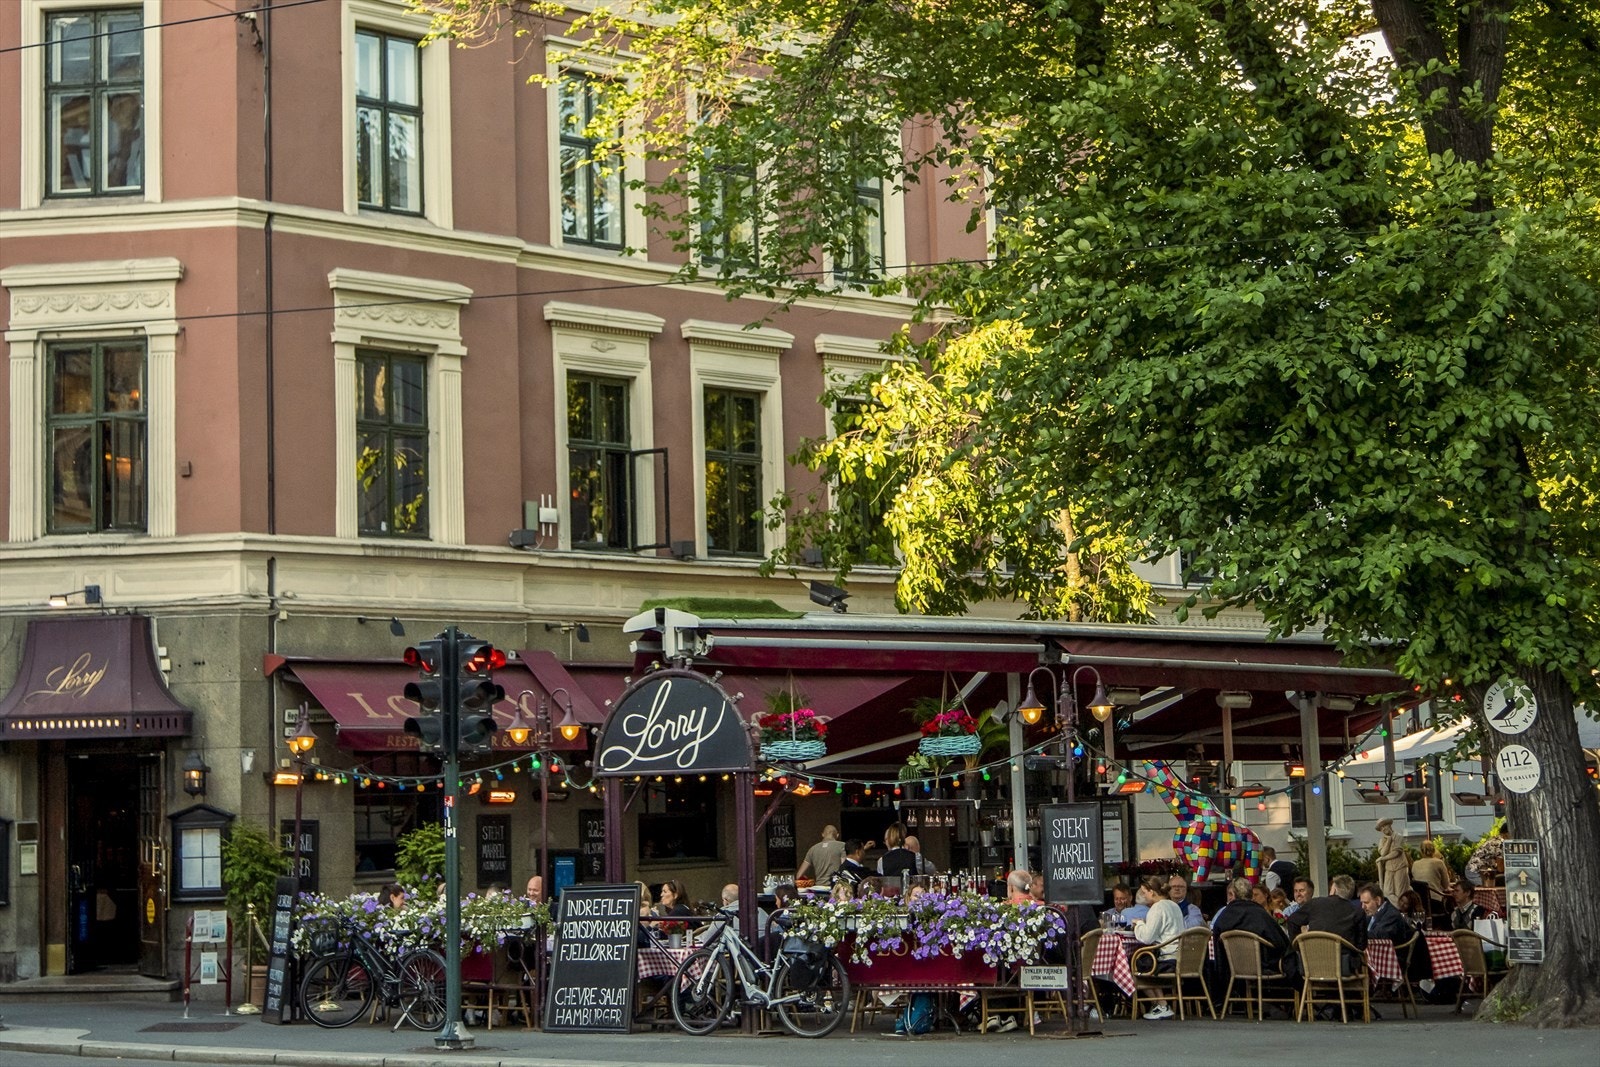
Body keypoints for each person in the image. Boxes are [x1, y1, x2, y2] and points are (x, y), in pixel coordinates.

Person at [1213, 875, 1292, 993]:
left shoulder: (1224, 916)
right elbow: (1280, 942)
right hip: (1262, 966)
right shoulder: (1260, 914)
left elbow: (1215, 941)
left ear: (1233, 895)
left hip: (1231, 968)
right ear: (1251, 895)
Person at [1286, 874, 1366, 975]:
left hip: (1311, 965)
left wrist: (1300, 947)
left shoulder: (1315, 904)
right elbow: (1361, 945)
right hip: (1342, 967)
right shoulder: (1358, 911)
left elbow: (1292, 921)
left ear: (1334, 890)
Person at [1132, 876, 1184, 1020]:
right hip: (1179, 956)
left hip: (1166, 958)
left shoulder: (1157, 908)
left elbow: (1147, 937)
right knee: (1143, 960)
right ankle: (1160, 1005)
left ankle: (1161, 1004)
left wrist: (1139, 924)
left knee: (1134, 963)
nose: (1143, 896)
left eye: (1145, 892)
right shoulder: (1174, 905)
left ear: (1152, 892)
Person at [1375, 819, 1411, 904]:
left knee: (1400, 892)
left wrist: (1382, 859)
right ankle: (1400, 906)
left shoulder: (1398, 837)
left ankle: (1402, 909)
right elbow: (1383, 853)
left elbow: (1396, 853)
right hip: (1389, 868)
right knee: (1387, 892)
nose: (1383, 829)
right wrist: (1388, 841)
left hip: (1400, 867)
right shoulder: (1382, 840)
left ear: (1389, 825)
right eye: (1381, 828)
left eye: (1384, 826)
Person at [1411, 839, 1453, 904]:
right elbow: (1446, 885)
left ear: (1421, 851)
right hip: (1435, 901)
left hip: (1419, 902)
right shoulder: (1439, 862)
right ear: (1434, 850)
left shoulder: (1415, 864)